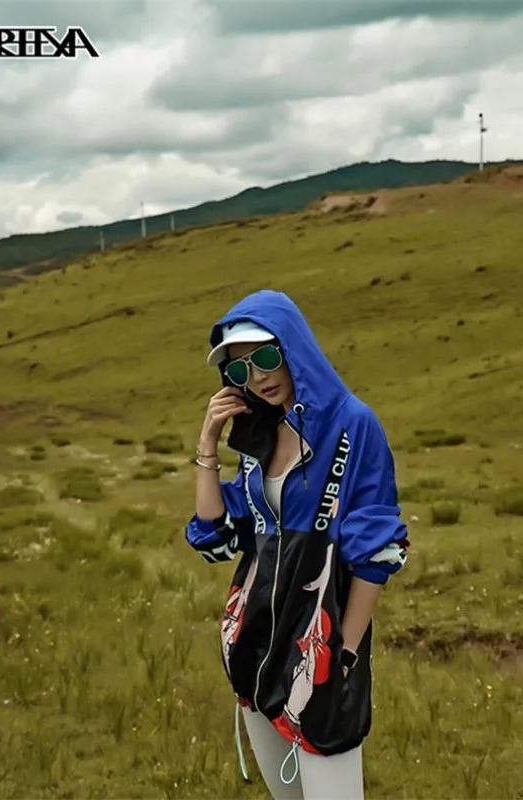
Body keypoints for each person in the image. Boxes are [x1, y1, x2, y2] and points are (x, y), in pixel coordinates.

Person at [185, 289, 409, 800]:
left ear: (293, 346)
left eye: (266, 357)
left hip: (318, 653)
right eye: (239, 369)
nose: (257, 377)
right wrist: (208, 444)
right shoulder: (259, 435)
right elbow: (217, 535)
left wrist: (344, 654)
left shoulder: (354, 424)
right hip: (253, 648)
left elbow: (374, 554)